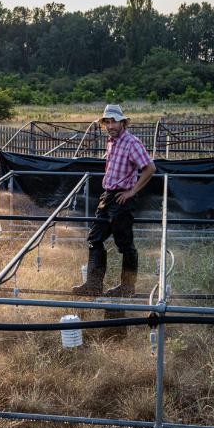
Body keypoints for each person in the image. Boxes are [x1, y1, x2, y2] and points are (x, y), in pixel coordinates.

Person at [72, 104, 156, 297]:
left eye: (114, 121)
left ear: (123, 122)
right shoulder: (111, 142)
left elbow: (150, 168)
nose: (110, 125)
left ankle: (127, 288)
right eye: (107, 122)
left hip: (122, 198)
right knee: (95, 239)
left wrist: (131, 191)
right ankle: (93, 285)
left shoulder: (131, 143)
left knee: (125, 245)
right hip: (107, 195)